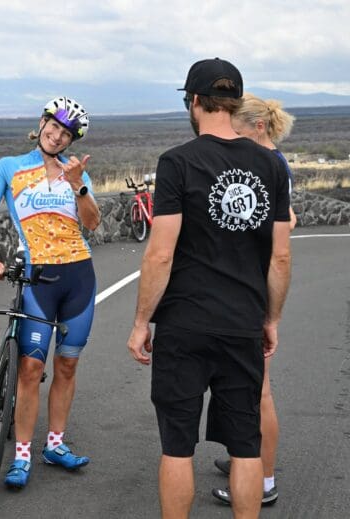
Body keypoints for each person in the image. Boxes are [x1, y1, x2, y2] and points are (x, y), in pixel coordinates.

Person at [126, 58, 291, 519]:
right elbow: (280, 256)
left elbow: (160, 253)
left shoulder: (178, 162)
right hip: (242, 323)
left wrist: (141, 322)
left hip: (184, 324)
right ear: (234, 102)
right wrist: (271, 318)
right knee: (245, 445)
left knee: (177, 446)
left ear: (194, 102)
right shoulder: (270, 166)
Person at [0, 96, 101, 490]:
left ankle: (56, 445)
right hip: (38, 279)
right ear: (42, 122)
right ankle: (22, 455)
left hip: (79, 275)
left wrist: (79, 184)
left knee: (67, 365)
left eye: (65, 133)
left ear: (70, 140)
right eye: (53, 126)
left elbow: (93, 224)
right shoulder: (9, 167)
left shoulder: (75, 171)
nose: (57, 135)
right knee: (31, 368)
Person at [210, 94, 298, 506]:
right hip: (252, 282)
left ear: (257, 127)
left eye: (238, 128)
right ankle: (246, 461)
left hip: (256, 286)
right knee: (245, 385)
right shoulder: (267, 163)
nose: (232, 136)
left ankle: (262, 480)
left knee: (259, 389)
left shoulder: (271, 164)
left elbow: (285, 222)